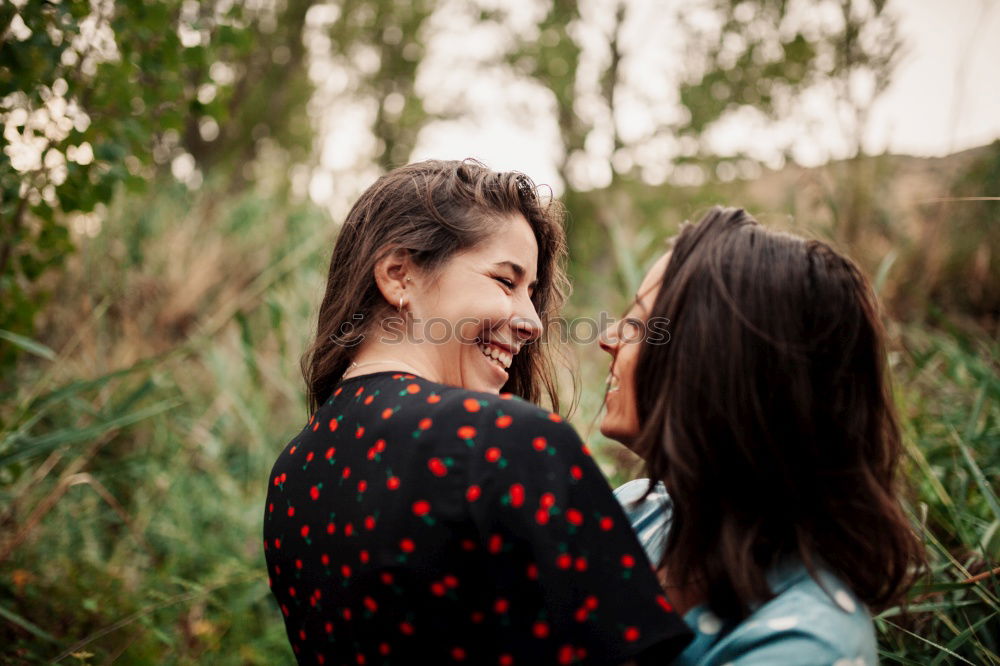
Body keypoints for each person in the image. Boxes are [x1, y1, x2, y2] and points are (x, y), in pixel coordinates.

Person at [263, 160, 691, 665]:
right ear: (399, 275)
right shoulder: (506, 442)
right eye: (505, 282)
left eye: (531, 293)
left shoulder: (293, 471)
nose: (532, 322)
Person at [598, 207, 925, 665]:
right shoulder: (636, 513)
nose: (608, 337)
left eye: (639, 324)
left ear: (712, 363)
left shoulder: (808, 644)